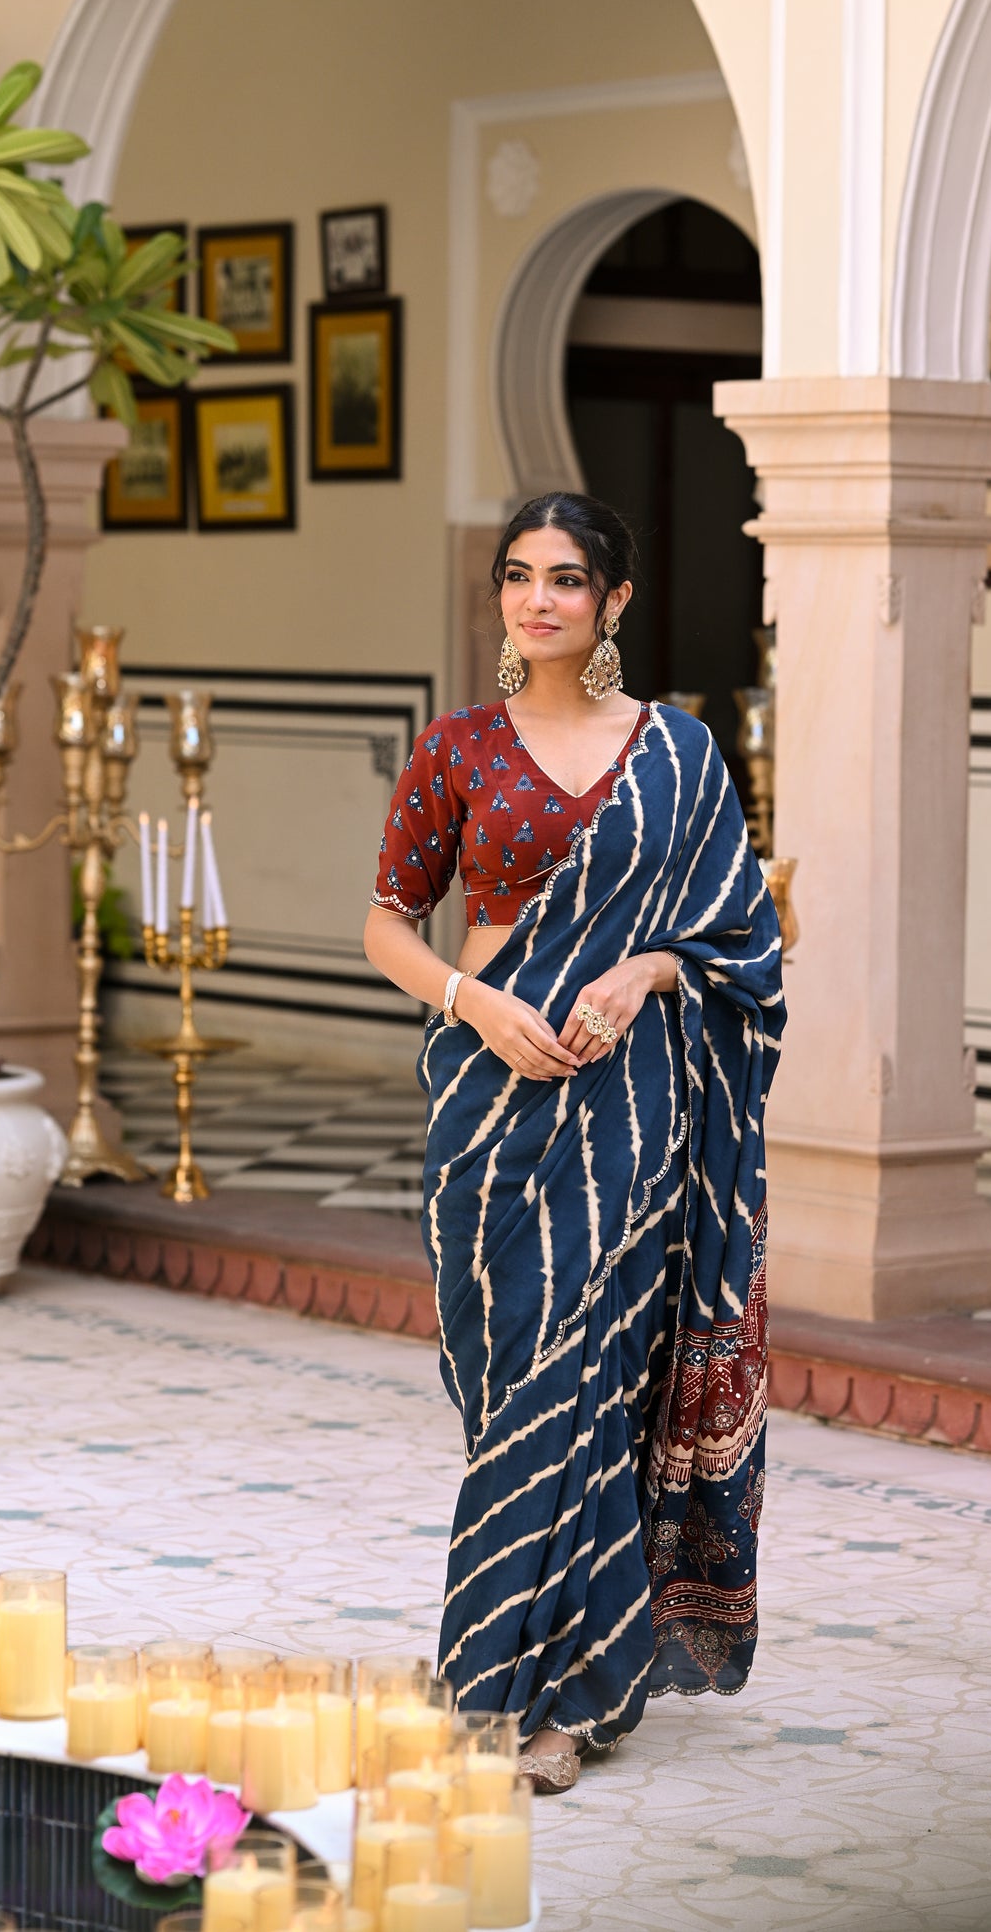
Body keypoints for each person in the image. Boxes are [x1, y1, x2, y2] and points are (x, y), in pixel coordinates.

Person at [363, 491, 785, 1792]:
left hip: (625, 1104)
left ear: (613, 602)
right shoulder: (456, 750)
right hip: (485, 1109)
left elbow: (745, 946)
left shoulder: (677, 753)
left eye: (565, 579)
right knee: (510, 1396)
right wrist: (474, 1001)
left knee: (583, 1384)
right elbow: (388, 921)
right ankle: (543, 1668)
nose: (537, 599)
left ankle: (554, 1702)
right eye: (517, 576)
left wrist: (647, 967)